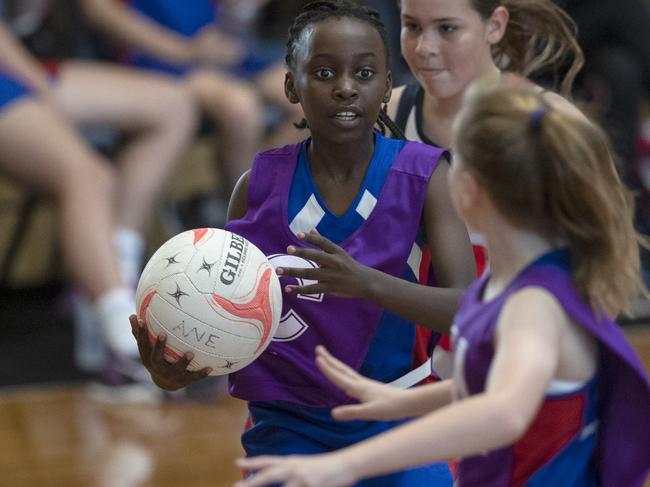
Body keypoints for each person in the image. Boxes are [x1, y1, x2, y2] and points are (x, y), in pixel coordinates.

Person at [233, 84, 650, 487]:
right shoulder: (517, 283)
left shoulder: (535, 305)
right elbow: (494, 380)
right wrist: (403, 402)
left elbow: (503, 411)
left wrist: (344, 465)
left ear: (467, 190)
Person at [130, 1, 475, 484]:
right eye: (325, 72)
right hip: (287, 426)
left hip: (400, 418)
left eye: (365, 72)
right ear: (293, 85)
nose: (346, 86)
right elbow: (228, 320)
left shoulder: (424, 176)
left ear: (385, 87)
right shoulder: (256, 187)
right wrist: (181, 371)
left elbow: (469, 309)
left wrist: (367, 285)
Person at [0, 15, 197, 381]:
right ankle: (123, 341)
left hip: (18, 69)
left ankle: (114, 274)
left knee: (174, 105)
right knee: (89, 176)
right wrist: (39, 89)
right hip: (14, 73)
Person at [81, 0, 307, 214]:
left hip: (217, 47)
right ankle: (251, 214)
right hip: (161, 60)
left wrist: (240, 10)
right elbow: (98, 11)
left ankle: (245, 200)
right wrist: (182, 50)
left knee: (312, 97)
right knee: (239, 108)